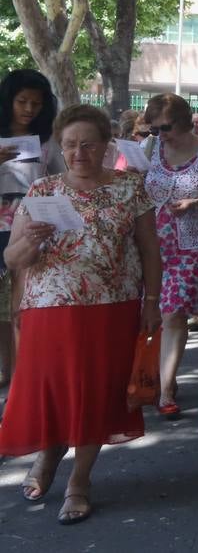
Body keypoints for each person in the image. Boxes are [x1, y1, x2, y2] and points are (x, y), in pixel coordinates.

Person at [0, 103, 161, 525]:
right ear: (59, 146)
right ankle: (49, 454)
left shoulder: (130, 188)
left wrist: (151, 304)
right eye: (70, 145)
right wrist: (30, 242)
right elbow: (13, 258)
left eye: (88, 144)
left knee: (97, 394)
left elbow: (149, 251)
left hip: (112, 308)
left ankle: (79, 482)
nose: (78, 153)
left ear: (106, 145)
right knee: (54, 392)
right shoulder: (41, 192)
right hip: (50, 310)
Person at [142, 93, 198, 418]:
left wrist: (195, 203)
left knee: (173, 314)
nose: (160, 134)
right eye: (154, 129)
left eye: (165, 127)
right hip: (152, 240)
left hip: (191, 243)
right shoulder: (154, 148)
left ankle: (165, 389)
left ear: (183, 121)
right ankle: (159, 376)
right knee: (154, 313)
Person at [0, 69, 61, 389]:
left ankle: (21, 382)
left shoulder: (47, 138)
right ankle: (5, 371)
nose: (28, 109)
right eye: (22, 101)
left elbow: (61, 178)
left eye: (36, 104)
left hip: (28, 226)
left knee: (20, 305)